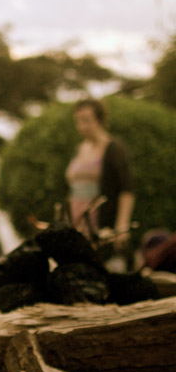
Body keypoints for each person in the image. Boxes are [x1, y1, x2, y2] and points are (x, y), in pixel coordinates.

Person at [66, 97, 135, 269]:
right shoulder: (79, 149)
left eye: (86, 120)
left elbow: (126, 189)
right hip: (78, 220)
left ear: (99, 120)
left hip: (102, 222)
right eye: (78, 121)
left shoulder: (113, 148)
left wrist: (121, 227)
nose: (81, 126)